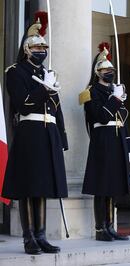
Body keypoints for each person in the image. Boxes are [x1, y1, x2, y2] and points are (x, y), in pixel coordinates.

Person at [2, 12, 67, 254]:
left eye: (44, 46)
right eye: (38, 46)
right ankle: (28, 236)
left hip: (48, 131)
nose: (42, 49)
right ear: (27, 48)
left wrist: (62, 134)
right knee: (29, 186)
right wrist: (45, 89)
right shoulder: (15, 72)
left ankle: (41, 235)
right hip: (30, 130)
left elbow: (57, 108)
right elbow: (23, 103)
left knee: (43, 186)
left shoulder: (45, 73)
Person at [80, 42, 130, 241]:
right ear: (97, 71)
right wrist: (116, 99)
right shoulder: (90, 92)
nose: (109, 72)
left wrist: (128, 145)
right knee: (101, 186)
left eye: (111, 69)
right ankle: (100, 229)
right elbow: (101, 116)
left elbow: (123, 121)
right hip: (102, 141)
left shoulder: (115, 91)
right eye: (105, 69)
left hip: (117, 140)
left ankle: (110, 226)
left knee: (113, 186)